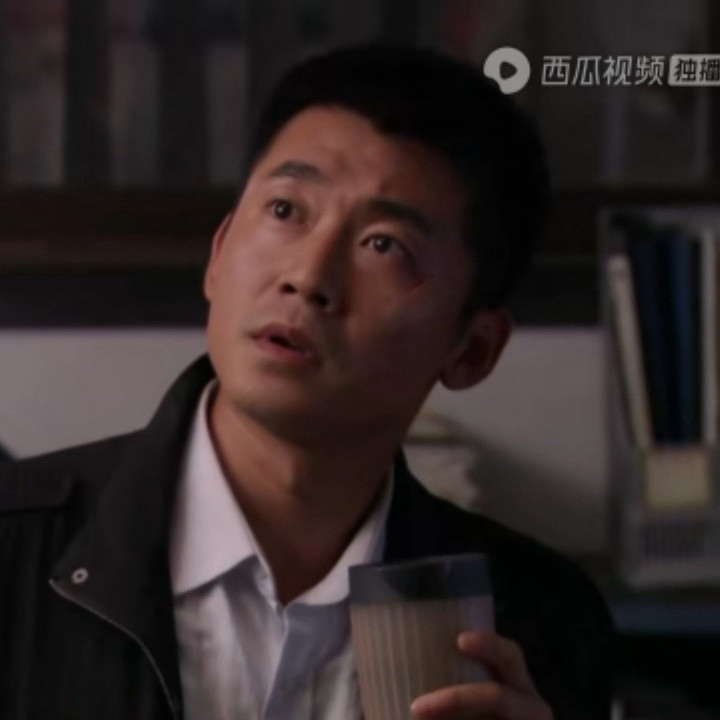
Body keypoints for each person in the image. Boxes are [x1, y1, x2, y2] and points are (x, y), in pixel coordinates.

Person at [0, 44, 614, 720]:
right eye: (286, 210)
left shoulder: (542, 620)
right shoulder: (16, 545)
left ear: (471, 350)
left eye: (384, 245)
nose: (309, 276)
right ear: (219, 254)